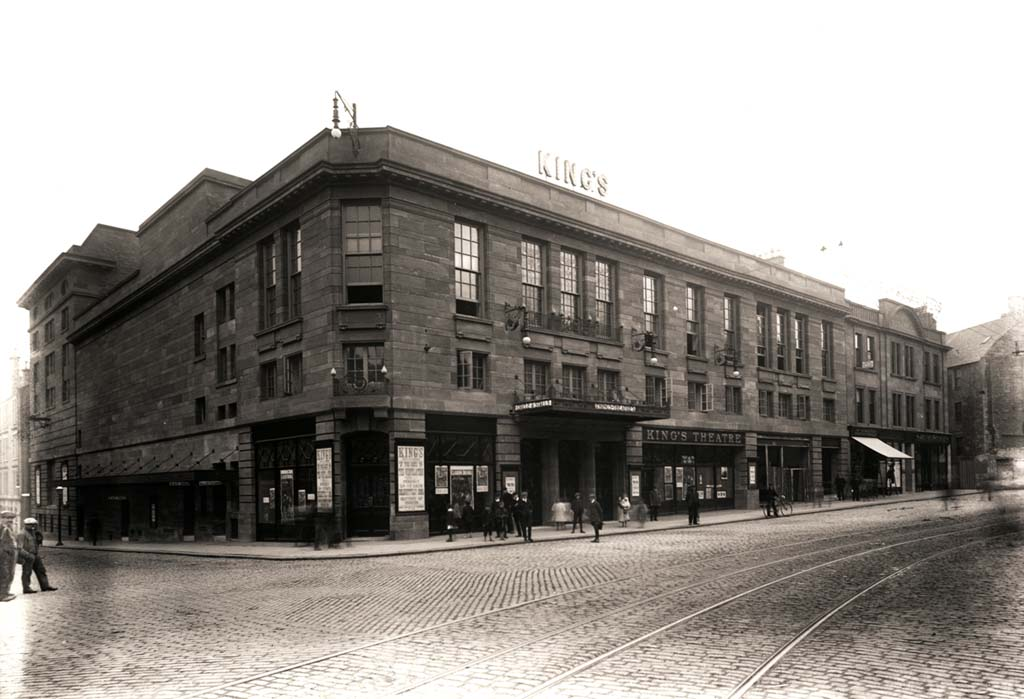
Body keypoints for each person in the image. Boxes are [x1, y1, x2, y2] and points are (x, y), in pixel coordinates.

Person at [17, 518, 57, 593]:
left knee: (41, 570)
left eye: (34, 524)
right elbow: (19, 548)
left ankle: (45, 586)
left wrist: (39, 537)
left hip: (35, 555)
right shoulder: (21, 534)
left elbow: (37, 544)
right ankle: (26, 588)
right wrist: (28, 556)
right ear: (26, 525)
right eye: (31, 525)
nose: (33, 526)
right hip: (28, 556)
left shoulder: (33, 533)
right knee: (27, 572)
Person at [1, 510, 18, 602]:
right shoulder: (2, 529)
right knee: (5, 574)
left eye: (11, 518)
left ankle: (6, 591)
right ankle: (2, 594)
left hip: (10, 554)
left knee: (10, 573)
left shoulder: (10, 528)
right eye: (7, 518)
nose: (10, 520)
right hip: (3, 555)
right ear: (2, 519)